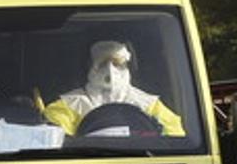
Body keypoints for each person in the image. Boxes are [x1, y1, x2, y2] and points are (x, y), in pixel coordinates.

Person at [42, 40, 185, 137]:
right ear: (89, 66)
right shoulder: (67, 106)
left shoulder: (150, 105)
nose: (110, 70)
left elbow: (175, 142)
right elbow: (57, 146)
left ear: (129, 66)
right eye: (102, 64)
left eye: (117, 63)